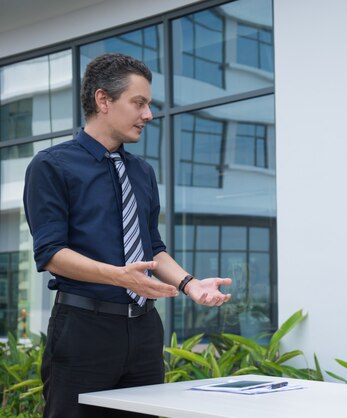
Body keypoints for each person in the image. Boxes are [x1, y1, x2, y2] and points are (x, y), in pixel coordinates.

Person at [23, 53, 232, 418]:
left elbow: (153, 248)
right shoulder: (51, 165)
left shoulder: (142, 172)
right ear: (103, 100)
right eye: (139, 103)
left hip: (144, 330)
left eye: (148, 104)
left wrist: (190, 284)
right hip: (83, 330)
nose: (148, 115)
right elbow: (51, 253)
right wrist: (119, 276)